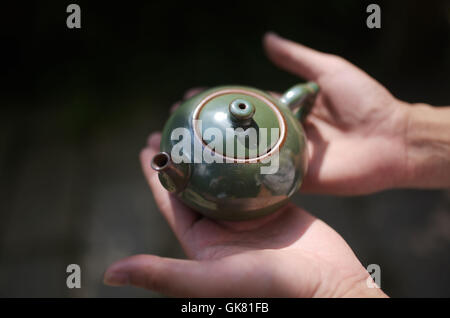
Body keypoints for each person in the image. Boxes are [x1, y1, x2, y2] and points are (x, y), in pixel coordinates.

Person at [103, 33, 450, 297]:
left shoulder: (284, 124)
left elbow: (300, 95)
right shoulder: (263, 120)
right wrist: (405, 134)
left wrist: (405, 132)